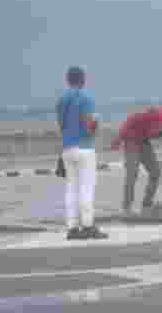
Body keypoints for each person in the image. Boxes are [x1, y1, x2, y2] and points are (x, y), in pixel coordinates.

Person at [56, 66, 108, 240]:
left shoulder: (62, 100)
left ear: (67, 79)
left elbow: (61, 125)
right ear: (83, 79)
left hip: (67, 148)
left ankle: (72, 228)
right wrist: (96, 125)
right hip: (84, 148)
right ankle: (87, 226)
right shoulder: (86, 98)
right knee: (86, 187)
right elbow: (89, 127)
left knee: (71, 188)